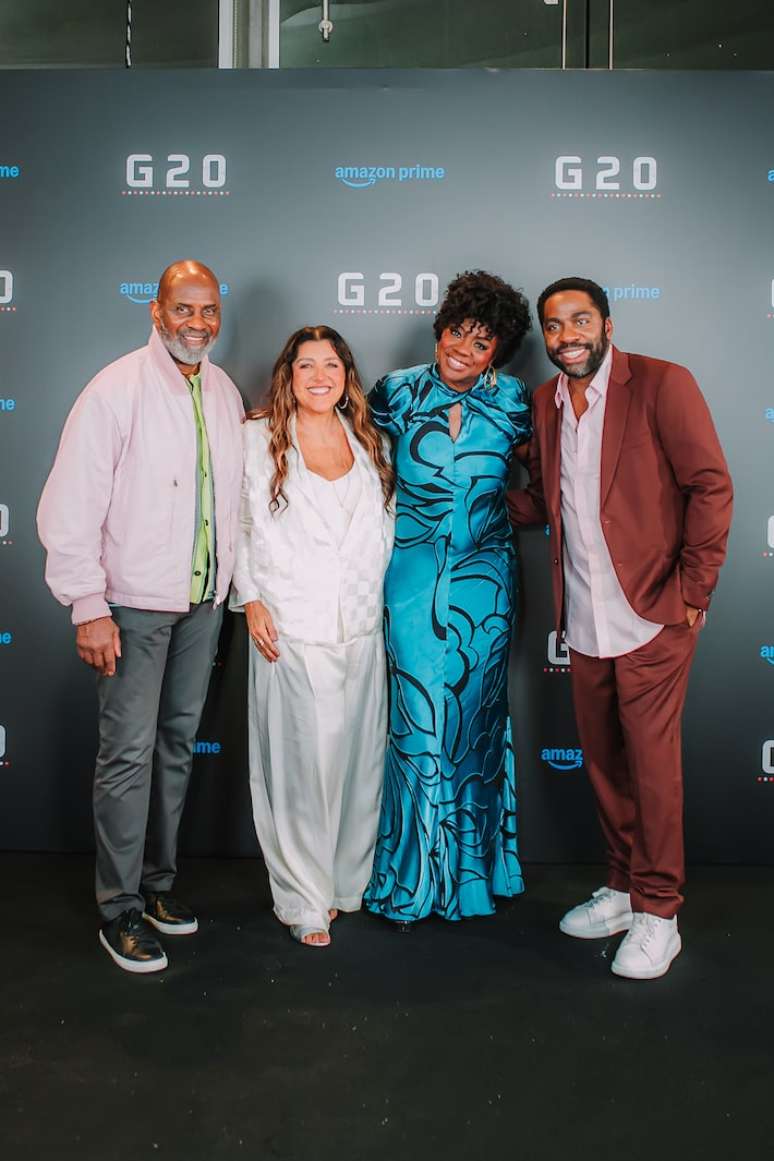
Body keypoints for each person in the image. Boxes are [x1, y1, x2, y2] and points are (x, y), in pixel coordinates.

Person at [507, 276, 733, 979]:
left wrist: (691, 595)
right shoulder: (546, 401)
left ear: (606, 321)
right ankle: (624, 884)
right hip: (584, 617)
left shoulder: (663, 384)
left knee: (652, 767)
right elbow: (545, 498)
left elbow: (710, 486)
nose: (566, 335)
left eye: (579, 320)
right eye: (553, 325)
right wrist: (459, 485)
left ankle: (660, 913)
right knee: (604, 761)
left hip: (651, 616)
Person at [37, 260, 245, 973]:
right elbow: (70, 504)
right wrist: (87, 603)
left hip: (200, 606)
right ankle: (119, 907)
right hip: (129, 605)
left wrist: (228, 589)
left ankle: (158, 886)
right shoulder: (114, 388)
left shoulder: (219, 389)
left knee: (176, 746)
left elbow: (229, 501)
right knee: (127, 755)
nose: (197, 322)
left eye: (209, 310)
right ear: (157, 312)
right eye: (183, 309)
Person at [364, 270, 532, 926]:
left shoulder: (516, 402)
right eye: (457, 331)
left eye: (482, 341)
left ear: (500, 352)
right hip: (409, 579)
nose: (464, 347)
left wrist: (506, 508)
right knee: (416, 724)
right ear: (439, 329)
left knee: (475, 723)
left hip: (485, 586)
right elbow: (341, 454)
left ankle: (471, 871)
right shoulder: (394, 394)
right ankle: (412, 873)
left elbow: (551, 479)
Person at [231, 325, 394, 948]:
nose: (319, 376)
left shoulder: (369, 437)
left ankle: (346, 884)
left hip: (360, 625)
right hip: (290, 626)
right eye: (306, 366)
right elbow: (238, 525)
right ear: (289, 375)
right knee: (299, 768)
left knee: (358, 763)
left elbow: (382, 532)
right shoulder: (257, 438)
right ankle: (301, 896)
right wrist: (251, 601)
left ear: (347, 374)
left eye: (331, 364)